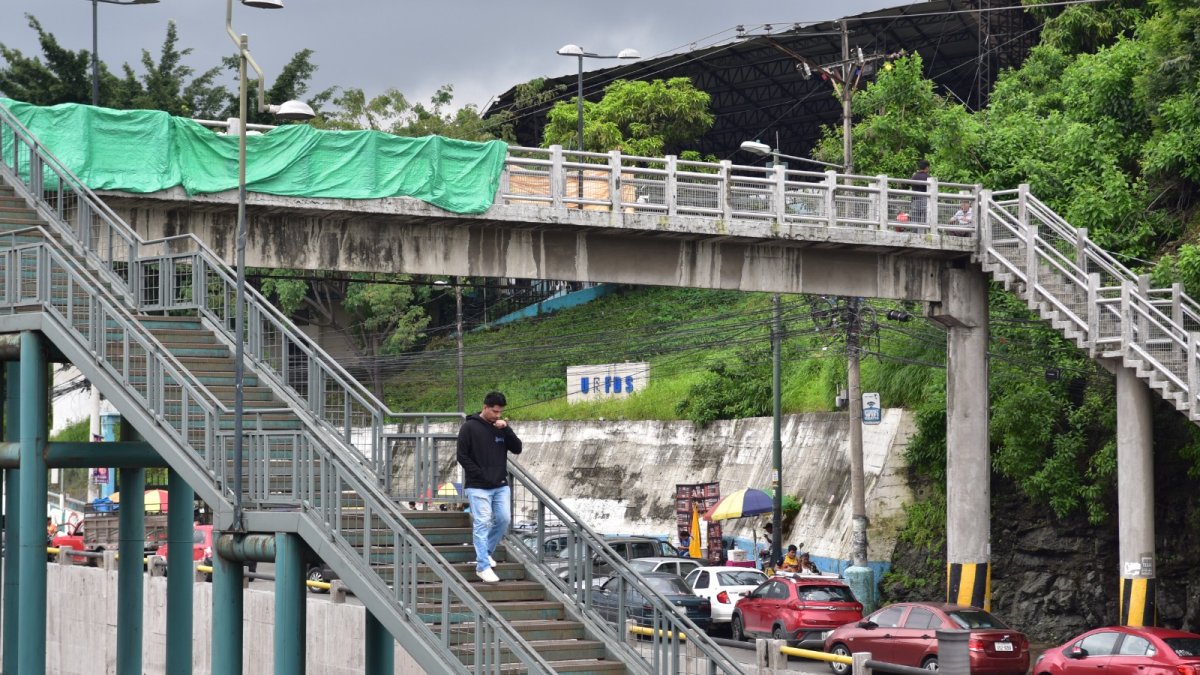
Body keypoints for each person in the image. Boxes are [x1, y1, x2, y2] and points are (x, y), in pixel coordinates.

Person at [457, 391, 522, 583]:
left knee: (504, 519)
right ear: (485, 407)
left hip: (500, 485)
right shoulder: (469, 427)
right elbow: (462, 456)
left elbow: (517, 448)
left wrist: (507, 429)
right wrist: (480, 474)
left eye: (500, 412)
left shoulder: (501, 427)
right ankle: (482, 566)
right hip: (477, 485)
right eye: (494, 411)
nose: (497, 415)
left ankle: (485, 553)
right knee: (483, 521)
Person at [910, 159, 930, 224]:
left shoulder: (914, 176)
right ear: (926, 168)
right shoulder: (928, 177)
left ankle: (913, 233)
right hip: (925, 202)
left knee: (914, 221)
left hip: (915, 200)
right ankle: (926, 233)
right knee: (926, 222)